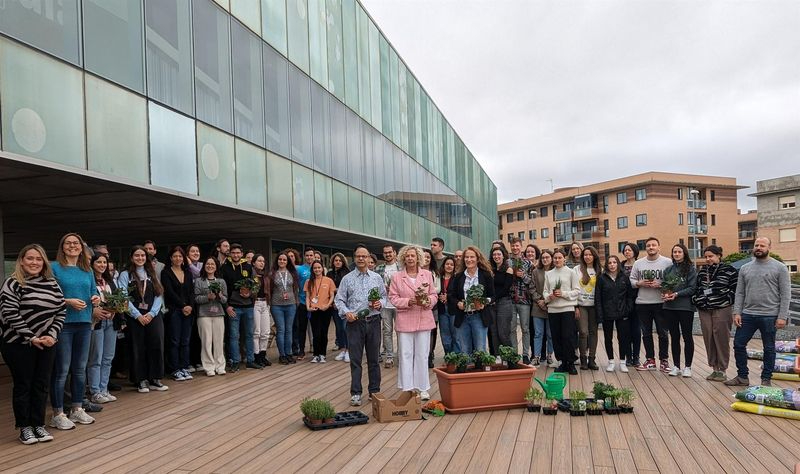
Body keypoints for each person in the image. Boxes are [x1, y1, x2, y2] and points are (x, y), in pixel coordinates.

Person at [0, 244, 65, 445]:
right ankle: (25, 428)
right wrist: (31, 336)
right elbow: (9, 313)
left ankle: (38, 425)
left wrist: (52, 335)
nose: (34, 262)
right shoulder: (12, 283)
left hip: (47, 343)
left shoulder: (52, 283)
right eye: (30, 258)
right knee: (24, 384)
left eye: (38, 259)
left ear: (44, 262)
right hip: (18, 343)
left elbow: (61, 311)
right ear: (21, 261)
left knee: (41, 384)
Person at [725, 237, 791, 387]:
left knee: (769, 347)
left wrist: (782, 316)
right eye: (756, 245)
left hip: (770, 315)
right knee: (738, 344)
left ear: (769, 247)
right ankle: (742, 376)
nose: (759, 248)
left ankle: (766, 378)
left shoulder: (780, 267)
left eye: (762, 245)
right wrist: (737, 312)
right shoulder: (745, 268)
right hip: (748, 314)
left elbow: (786, 294)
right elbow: (740, 292)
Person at [50, 232, 100, 429]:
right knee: (62, 370)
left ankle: (77, 409)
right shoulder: (54, 267)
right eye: (68, 243)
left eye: (76, 243)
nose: (72, 246)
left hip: (84, 323)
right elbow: (49, 295)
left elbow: (93, 291)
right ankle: (58, 413)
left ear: (81, 247)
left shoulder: (86, 269)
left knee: (80, 369)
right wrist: (67, 302)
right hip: (63, 324)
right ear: (62, 247)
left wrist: (96, 298)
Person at [335, 244, 387, 407]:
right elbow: (339, 300)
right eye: (358, 256)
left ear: (369, 259)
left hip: (373, 321)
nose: (361, 259)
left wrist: (380, 304)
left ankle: (374, 391)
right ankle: (356, 393)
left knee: (373, 359)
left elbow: (385, 297)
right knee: (356, 360)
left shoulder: (376, 278)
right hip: (355, 323)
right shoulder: (347, 278)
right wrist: (346, 312)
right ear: (354, 258)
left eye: (364, 256)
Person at [117, 246, 169, 394]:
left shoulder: (151, 273)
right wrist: (137, 315)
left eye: (143, 256)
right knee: (137, 347)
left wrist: (152, 313)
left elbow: (159, 294)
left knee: (156, 344)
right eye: (137, 255)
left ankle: (155, 378)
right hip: (135, 316)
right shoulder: (125, 275)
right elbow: (123, 297)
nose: (140, 258)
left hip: (153, 314)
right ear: (132, 257)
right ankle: (141, 380)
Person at [389, 245, 438, 401]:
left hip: (424, 317)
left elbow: (434, 295)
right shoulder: (397, 276)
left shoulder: (428, 274)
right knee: (405, 354)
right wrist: (407, 301)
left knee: (422, 355)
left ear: (418, 258)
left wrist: (428, 301)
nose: (410, 258)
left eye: (413, 256)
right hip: (405, 319)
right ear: (403, 258)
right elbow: (393, 297)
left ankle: (423, 387)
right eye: (407, 256)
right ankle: (407, 387)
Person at [693, 245, 738, 382]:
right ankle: (714, 369)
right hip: (704, 309)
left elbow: (736, 290)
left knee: (721, 337)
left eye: (711, 256)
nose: (708, 259)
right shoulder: (702, 272)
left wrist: (725, 300)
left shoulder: (730, 270)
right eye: (706, 256)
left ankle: (723, 369)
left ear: (719, 255)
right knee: (709, 337)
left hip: (722, 308)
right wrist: (697, 300)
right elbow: (698, 288)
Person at [629, 237, 672, 373]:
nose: (651, 247)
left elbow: (672, 282)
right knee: (646, 333)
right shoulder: (638, 263)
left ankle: (664, 360)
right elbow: (632, 279)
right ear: (645, 248)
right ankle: (650, 360)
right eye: (648, 245)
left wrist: (661, 285)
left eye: (653, 245)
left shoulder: (667, 262)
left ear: (659, 247)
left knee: (663, 333)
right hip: (643, 303)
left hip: (661, 302)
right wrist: (639, 283)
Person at [88, 253, 124, 404]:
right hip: (97, 323)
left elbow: (119, 301)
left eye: (104, 262)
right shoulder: (89, 280)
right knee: (96, 358)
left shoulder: (110, 281)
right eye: (99, 262)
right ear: (92, 264)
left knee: (108, 358)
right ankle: (95, 391)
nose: (102, 265)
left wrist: (116, 311)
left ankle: (104, 389)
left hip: (111, 323)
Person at [447, 246, 495, 354]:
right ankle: (467, 370)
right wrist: (458, 303)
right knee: (465, 350)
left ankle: (480, 370)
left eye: (472, 257)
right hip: (462, 316)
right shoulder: (458, 276)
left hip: (479, 316)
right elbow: (451, 295)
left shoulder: (486, 275)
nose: (469, 260)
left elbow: (493, 296)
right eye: (466, 257)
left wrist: (484, 302)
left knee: (480, 349)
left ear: (478, 259)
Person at [220, 244, 260, 371]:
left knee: (249, 334)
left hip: (248, 306)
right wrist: (227, 306)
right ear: (230, 254)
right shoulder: (224, 268)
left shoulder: (248, 267)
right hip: (233, 307)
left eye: (238, 253)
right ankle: (235, 361)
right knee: (233, 336)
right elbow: (221, 289)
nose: (236, 255)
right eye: (233, 253)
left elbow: (256, 285)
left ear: (241, 254)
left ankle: (250, 360)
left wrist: (250, 293)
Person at [542, 249, 580, 375]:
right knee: (556, 337)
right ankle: (562, 362)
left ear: (564, 259)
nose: (557, 260)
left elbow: (576, 291)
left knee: (568, 336)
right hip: (553, 309)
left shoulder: (571, 273)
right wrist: (549, 297)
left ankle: (570, 363)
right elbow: (545, 291)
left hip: (567, 309)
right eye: (555, 258)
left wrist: (563, 294)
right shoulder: (549, 274)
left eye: (559, 258)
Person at [662, 244, 698, 377]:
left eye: (679, 252)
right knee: (674, 337)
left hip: (685, 307)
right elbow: (665, 285)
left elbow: (692, 288)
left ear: (684, 253)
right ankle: (676, 366)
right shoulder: (668, 270)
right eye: (674, 252)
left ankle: (688, 367)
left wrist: (676, 294)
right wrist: (665, 293)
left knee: (687, 337)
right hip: (669, 307)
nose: (677, 254)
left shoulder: (690, 269)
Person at [161, 246, 195, 381]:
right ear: (170, 258)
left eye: (180, 256)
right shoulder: (166, 273)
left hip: (188, 311)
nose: (178, 258)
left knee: (186, 341)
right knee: (174, 340)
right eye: (175, 256)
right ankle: (175, 369)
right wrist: (183, 306)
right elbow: (169, 292)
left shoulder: (188, 272)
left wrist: (190, 306)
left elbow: (191, 292)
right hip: (174, 310)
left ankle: (184, 367)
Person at [595, 255, 633, 373]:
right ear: (606, 265)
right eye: (610, 263)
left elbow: (630, 296)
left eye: (614, 262)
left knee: (623, 338)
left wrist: (628, 309)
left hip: (622, 313)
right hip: (607, 313)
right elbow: (598, 298)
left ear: (618, 264)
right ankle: (611, 361)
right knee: (608, 338)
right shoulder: (601, 278)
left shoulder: (624, 278)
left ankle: (622, 362)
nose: (612, 265)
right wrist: (600, 315)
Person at [194, 257, 228, 376]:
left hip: (218, 314)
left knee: (219, 341)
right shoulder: (199, 281)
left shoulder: (221, 281)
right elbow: (196, 298)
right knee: (206, 341)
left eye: (212, 264)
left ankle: (220, 366)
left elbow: (225, 300)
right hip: (204, 315)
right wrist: (207, 297)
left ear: (216, 266)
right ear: (204, 266)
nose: (210, 266)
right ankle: (209, 367)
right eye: (207, 264)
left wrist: (219, 296)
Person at [269, 252, 299, 365]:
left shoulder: (292, 273)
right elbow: (270, 290)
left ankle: (289, 353)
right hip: (277, 305)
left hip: (291, 305)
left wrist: (296, 303)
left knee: (289, 330)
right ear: (277, 261)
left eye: (284, 260)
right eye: (280, 259)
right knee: (281, 330)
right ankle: (282, 355)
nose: (282, 261)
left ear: (288, 262)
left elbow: (295, 289)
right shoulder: (272, 274)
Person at [507, 238, 533, 364]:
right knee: (511, 328)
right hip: (510, 299)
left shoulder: (528, 263)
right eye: (513, 246)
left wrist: (523, 275)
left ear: (521, 246)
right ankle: (514, 354)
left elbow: (531, 282)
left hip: (524, 300)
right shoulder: (507, 262)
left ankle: (525, 354)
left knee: (525, 328)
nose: (515, 248)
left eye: (517, 245)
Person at [305, 260, 336, 363]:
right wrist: (308, 307)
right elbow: (308, 296)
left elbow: (332, 295)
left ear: (322, 269)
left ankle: (322, 354)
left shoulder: (328, 280)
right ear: (312, 270)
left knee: (324, 332)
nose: (317, 270)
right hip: (314, 310)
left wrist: (328, 305)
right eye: (315, 268)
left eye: (319, 267)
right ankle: (316, 354)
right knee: (316, 333)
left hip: (326, 310)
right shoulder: (309, 281)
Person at [575, 246, 600, 370]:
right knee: (583, 332)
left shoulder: (598, 270)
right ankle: (583, 359)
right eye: (585, 255)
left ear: (594, 256)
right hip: (581, 305)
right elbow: (572, 288)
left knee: (593, 332)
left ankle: (592, 359)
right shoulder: (577, 269)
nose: (587, 257)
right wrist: (575, 306)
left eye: (590, 254)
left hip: (595, 306)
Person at [376, 244, 400, 368]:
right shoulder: (379, 268)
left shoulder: (401, 267)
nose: (388, 254)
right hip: (385, 303)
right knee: (387, 331)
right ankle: (389, 356)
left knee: (400, 330)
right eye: (385, 253)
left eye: (390, 252)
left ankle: (400, 356)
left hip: (399, 304)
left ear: (394, 253)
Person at [531, 249, 556, 367]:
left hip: (552, 306)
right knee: (538, 333)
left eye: (547, 257)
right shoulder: (536, 271)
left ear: (552, 258)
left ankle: (549, 355)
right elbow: (531, 287)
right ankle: (536, 357)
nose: (545, 259)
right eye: (543, 257)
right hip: (537, 307)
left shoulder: (556, 272)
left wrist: (546, 301)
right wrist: (539, 300)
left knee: (551, 334)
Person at [487, 246, 513, 355]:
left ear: (503, 256)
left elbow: (506, 289)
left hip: (504, 303)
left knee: (503, 333)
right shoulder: (490, 270)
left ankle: (510, 357)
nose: (496, 256)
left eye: (498, 254)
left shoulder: (508, 269)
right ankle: (498, 358)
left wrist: (493, 298)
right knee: (494, 333)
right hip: (492, 304)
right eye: (494, 255)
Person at [328, 253, 351, 362]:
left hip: (346, 305)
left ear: (343, 262)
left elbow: (348, 291)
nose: (337, 262)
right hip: (334, 305)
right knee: (339, 329)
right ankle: (342, 349)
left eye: (339, 260)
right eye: (335, 260)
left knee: (346, 328)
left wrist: (336, 290)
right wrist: (333, 302)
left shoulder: (348, 273)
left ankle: (348, 350)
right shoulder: (329, 273)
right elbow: (327, 290)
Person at [621, 242, 641, 367]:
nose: (627, 252)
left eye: (629, 250)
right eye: (625, 250)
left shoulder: (639, 265)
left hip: (638, 299)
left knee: (636, 330)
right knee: (625, 330)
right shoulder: (620, 266)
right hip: (623, 301)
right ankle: (628, 356)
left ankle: (636, 356)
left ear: (635, 251)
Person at [293, 248, 314, 360]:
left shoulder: (317, 268)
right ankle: (301, 350)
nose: (309, 257)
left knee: (316, 328)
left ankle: (317, 349)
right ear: (304, 257)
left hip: (316, 304)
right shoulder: (299, 269)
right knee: (302, 328)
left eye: (311, 255)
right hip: (302, 302)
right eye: (307, 255)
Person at [251, 254, 272, 367]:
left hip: (265, 303)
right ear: (253, 263)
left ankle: (263, 354)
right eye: (259, 261)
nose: (262, 263)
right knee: (256, 331)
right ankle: (256, 356)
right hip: (255, 304)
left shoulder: (265, 276)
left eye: (263, 261)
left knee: (266, 332)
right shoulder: (251, 275)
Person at [437, 257, 460, 355]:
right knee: (445, 334)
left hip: (453, 309)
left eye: (451, 264)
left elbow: (459, 292)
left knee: (455, 334)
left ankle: (457, 356)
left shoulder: (457, 278)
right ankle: (448, 356)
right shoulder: (438, 277)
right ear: (443, 265)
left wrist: (448, 297)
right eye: (447, 264)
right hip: (442, 309)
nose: (449, 266)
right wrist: (439, 297)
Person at [422, 248, 440, 368]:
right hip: (418, 306)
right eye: (424, 256)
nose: (426, 259)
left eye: (428, 257)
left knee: (432, 331)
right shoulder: (415, 271)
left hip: (432, 305)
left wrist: (427, 294)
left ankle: (430, 354)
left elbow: (437, 288)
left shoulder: (435, 273)